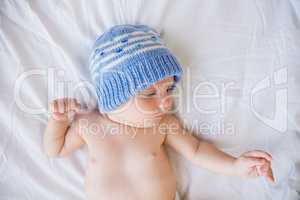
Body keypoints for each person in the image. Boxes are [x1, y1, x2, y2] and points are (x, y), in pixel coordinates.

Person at [44, 24, 274, 200]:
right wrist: (58, 121)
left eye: (168, 89)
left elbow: (196, 150)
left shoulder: (163, 125)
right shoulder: (89, 125)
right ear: (115, 96)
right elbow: (56, 149)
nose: (166, 103)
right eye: (150, 94)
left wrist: (234, 166)